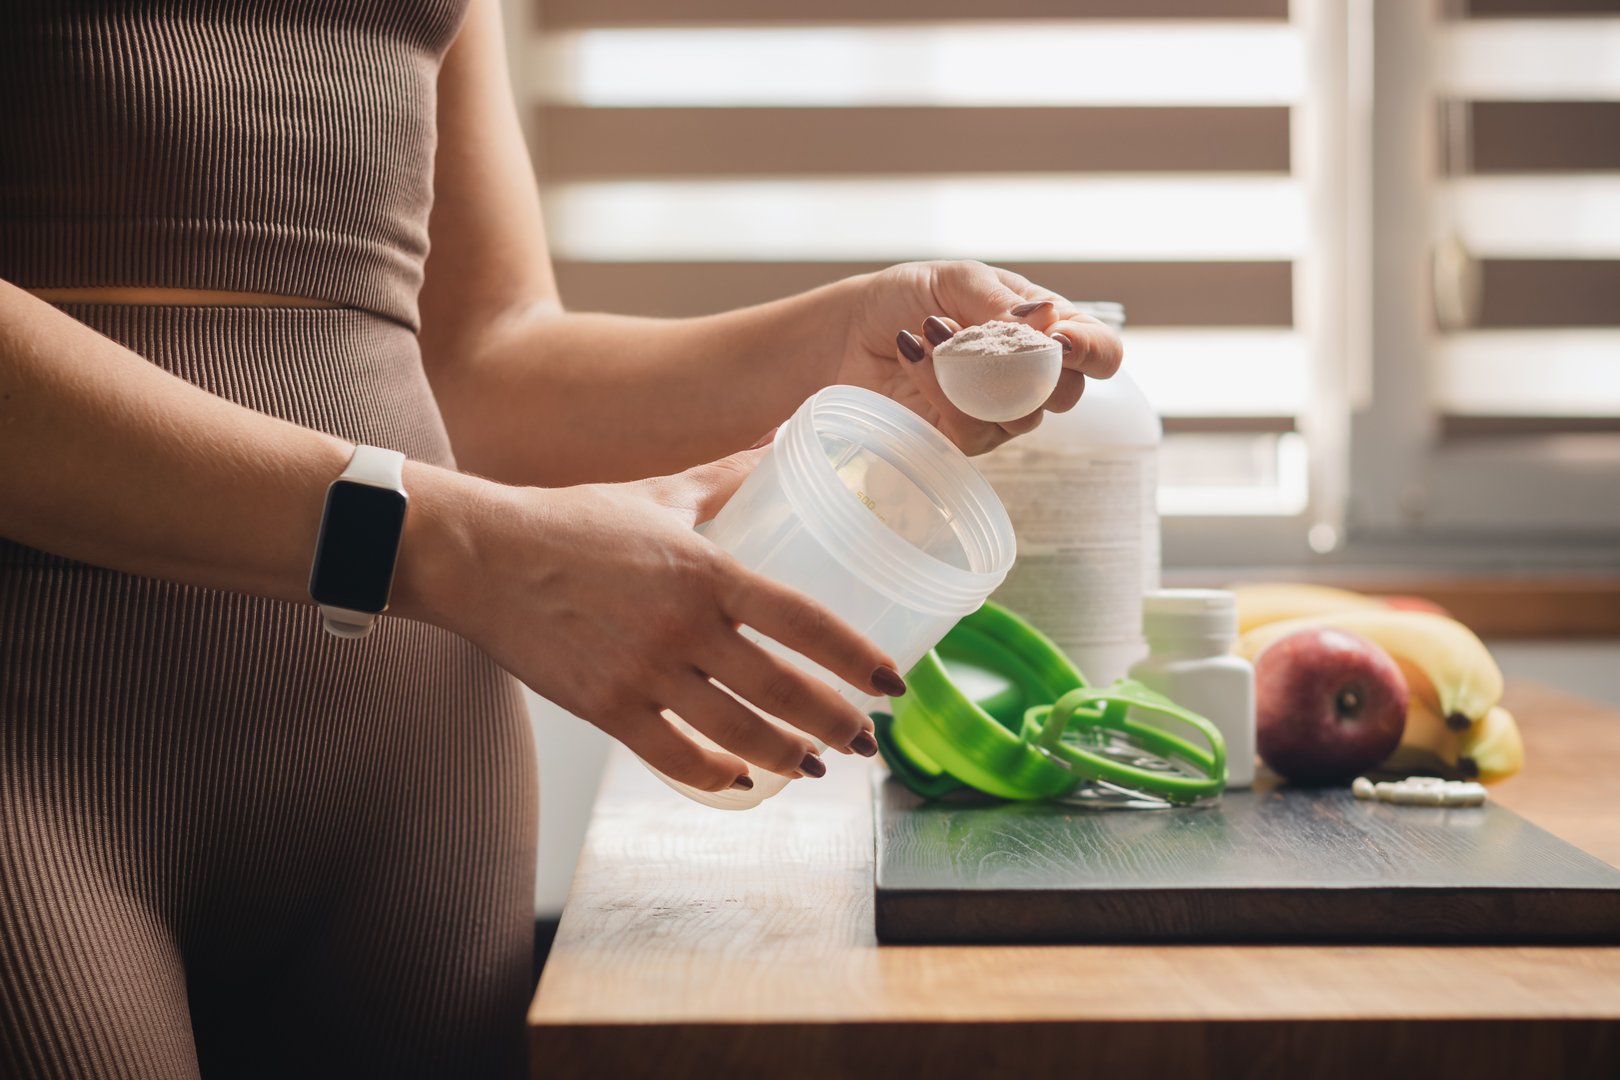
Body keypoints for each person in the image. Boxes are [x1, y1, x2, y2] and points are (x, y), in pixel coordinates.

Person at [0, 0, 1123, 1076]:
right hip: (41, 744)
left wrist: (839, 343)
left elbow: (480, 360)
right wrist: (458, 549)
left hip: (410, 761)